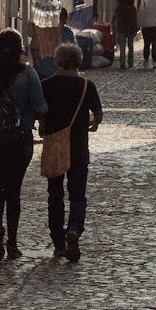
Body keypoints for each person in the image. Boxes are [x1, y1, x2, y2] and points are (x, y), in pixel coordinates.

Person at [0, 29, 48, 262]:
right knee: (13, 191)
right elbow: (41, 107)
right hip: (20, 141)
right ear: (20, 50)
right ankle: (12, 244)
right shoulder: (27, 74)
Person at [41, 42, 103, 262]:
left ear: (58, 61)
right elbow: (98, 114)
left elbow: (40, 112)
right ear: (77, 62)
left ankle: (58, 244)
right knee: (77, 195)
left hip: (54, 148)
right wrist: (93, 123)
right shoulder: (87, 86)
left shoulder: (46, 85)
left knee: (55, 195)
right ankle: (74, 229)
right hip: (78, 148)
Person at [113, 0, 138, 70]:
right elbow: (135, 19)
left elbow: (116, 17)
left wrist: (114, 28)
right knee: (131, 47)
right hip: (131, 29)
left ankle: (122, 63)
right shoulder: (133, 8)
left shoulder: (119, 8)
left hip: (121, 29)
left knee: (122, 47)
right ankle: (130, 63)